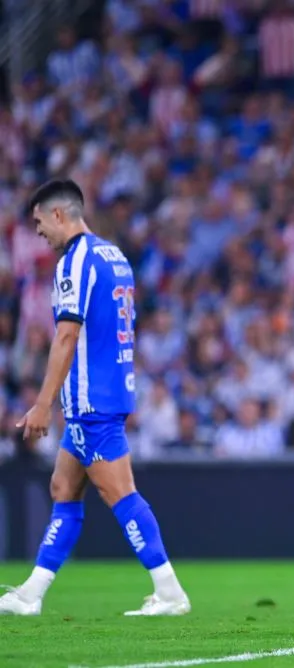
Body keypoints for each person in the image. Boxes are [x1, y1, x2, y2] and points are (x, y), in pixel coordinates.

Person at [0, 180, 190, 616]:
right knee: (63, 487)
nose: (39, 233)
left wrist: (42, 403)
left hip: (91, 399)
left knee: (120, 493)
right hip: (106, 389)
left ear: (58, 214)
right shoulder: (113, 255)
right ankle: (31, 594)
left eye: (39, 223)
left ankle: (169, 590)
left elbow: (67, 336)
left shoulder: (75, 262)